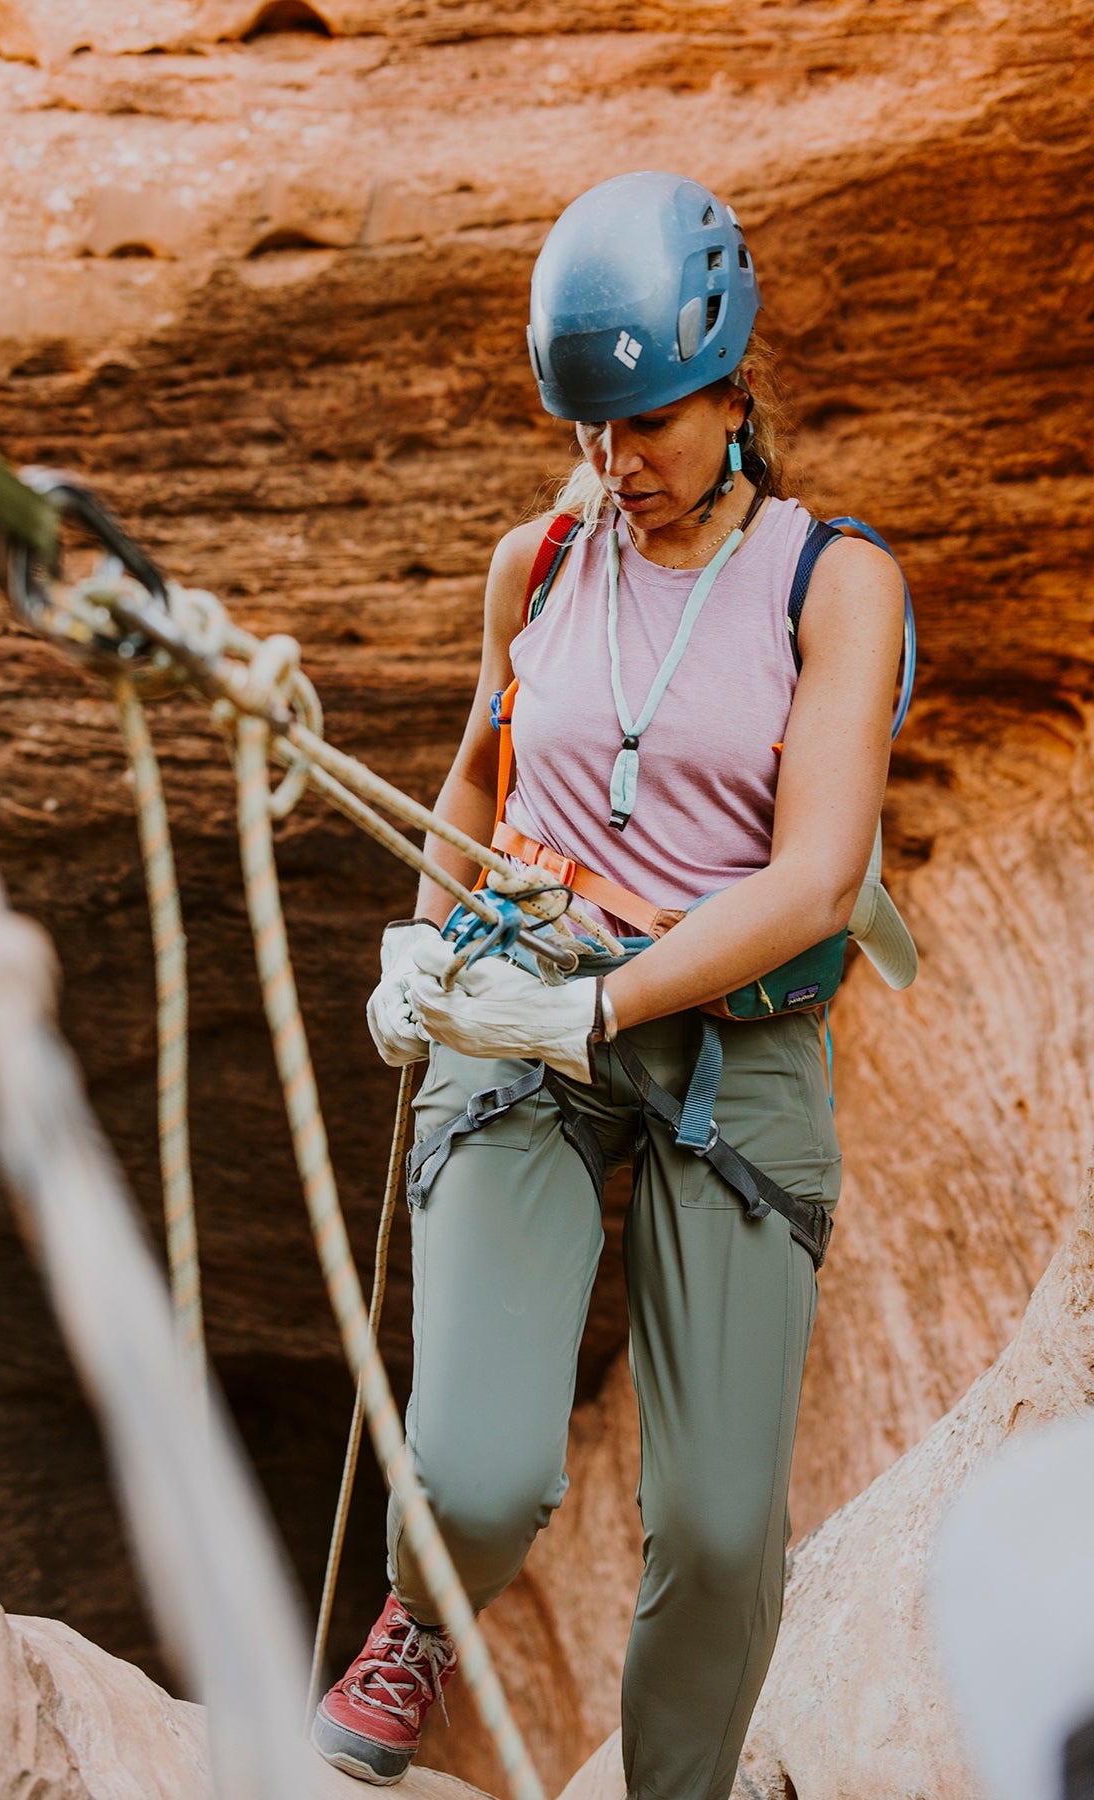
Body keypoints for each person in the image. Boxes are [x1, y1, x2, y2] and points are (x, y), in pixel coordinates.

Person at [312, 170, 910, 1800]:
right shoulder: (541, 560)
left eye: (645, 425)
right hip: (518, 1005)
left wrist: (604, 1005)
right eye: (589, 429)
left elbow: (812, 881)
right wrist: (424, 938)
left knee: (722, 1532)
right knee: (481, 1474)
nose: (614, 465)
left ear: (729, 388)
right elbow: (474, 773)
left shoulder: (832, 585)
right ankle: (419, 1623)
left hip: (727, 1035)